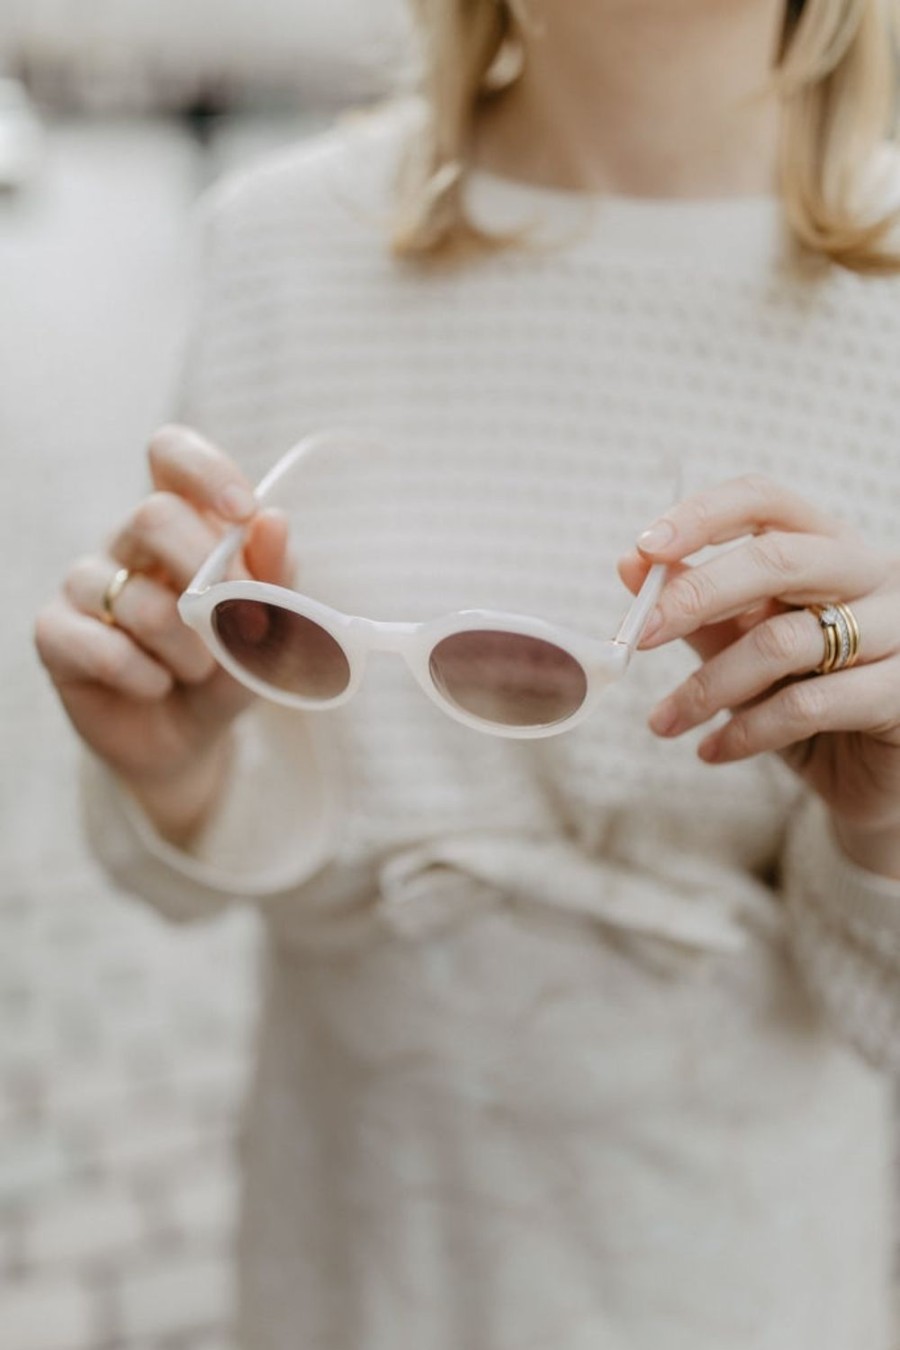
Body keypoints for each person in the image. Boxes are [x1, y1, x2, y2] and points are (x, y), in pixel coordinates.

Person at [34, 1, 900, 1346]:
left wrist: (885, 812)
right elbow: (171, 851)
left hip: (735, 1273)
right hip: (355, 1242)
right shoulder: (278, 242)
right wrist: (181, 768)